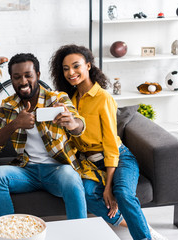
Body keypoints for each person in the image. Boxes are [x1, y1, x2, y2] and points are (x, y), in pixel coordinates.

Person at [49, 44, 167, 240]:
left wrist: (108, 187)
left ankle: (144, 237)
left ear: (88, 66)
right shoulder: (70, 99)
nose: (71, 72)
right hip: (90, 163)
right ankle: (136, 224)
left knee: (122, 193)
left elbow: (111, 145)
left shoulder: (103, 98)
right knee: (85, 193)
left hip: (119, 157)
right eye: (66, 68)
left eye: (76, 66)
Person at [0, 53, 87, 219]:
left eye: (28, 75)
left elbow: (79, 125)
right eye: (17, 77)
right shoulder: (9, 105)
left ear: (37, 75)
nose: (23, 82)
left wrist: (72, 123)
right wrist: (15, 124)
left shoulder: (57, 98)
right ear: (11, 79)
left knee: (70, 175)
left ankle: (79, 232)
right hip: (26, 172)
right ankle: (10, 233)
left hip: (57, 170)